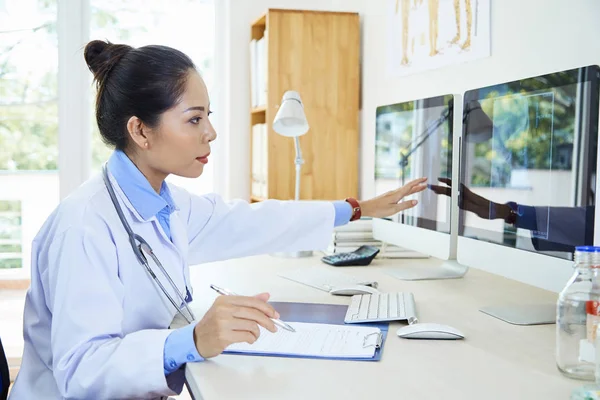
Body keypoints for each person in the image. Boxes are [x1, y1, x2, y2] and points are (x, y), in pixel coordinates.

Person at [9, 40, 427, 399]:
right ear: (140, 131)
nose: (210, 132)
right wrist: (189, 341)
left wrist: (357, 209)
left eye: (208, 115)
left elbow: (255, 221)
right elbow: (80, 371)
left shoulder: (167, 204)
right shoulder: (84, 225)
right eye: (194, 118)